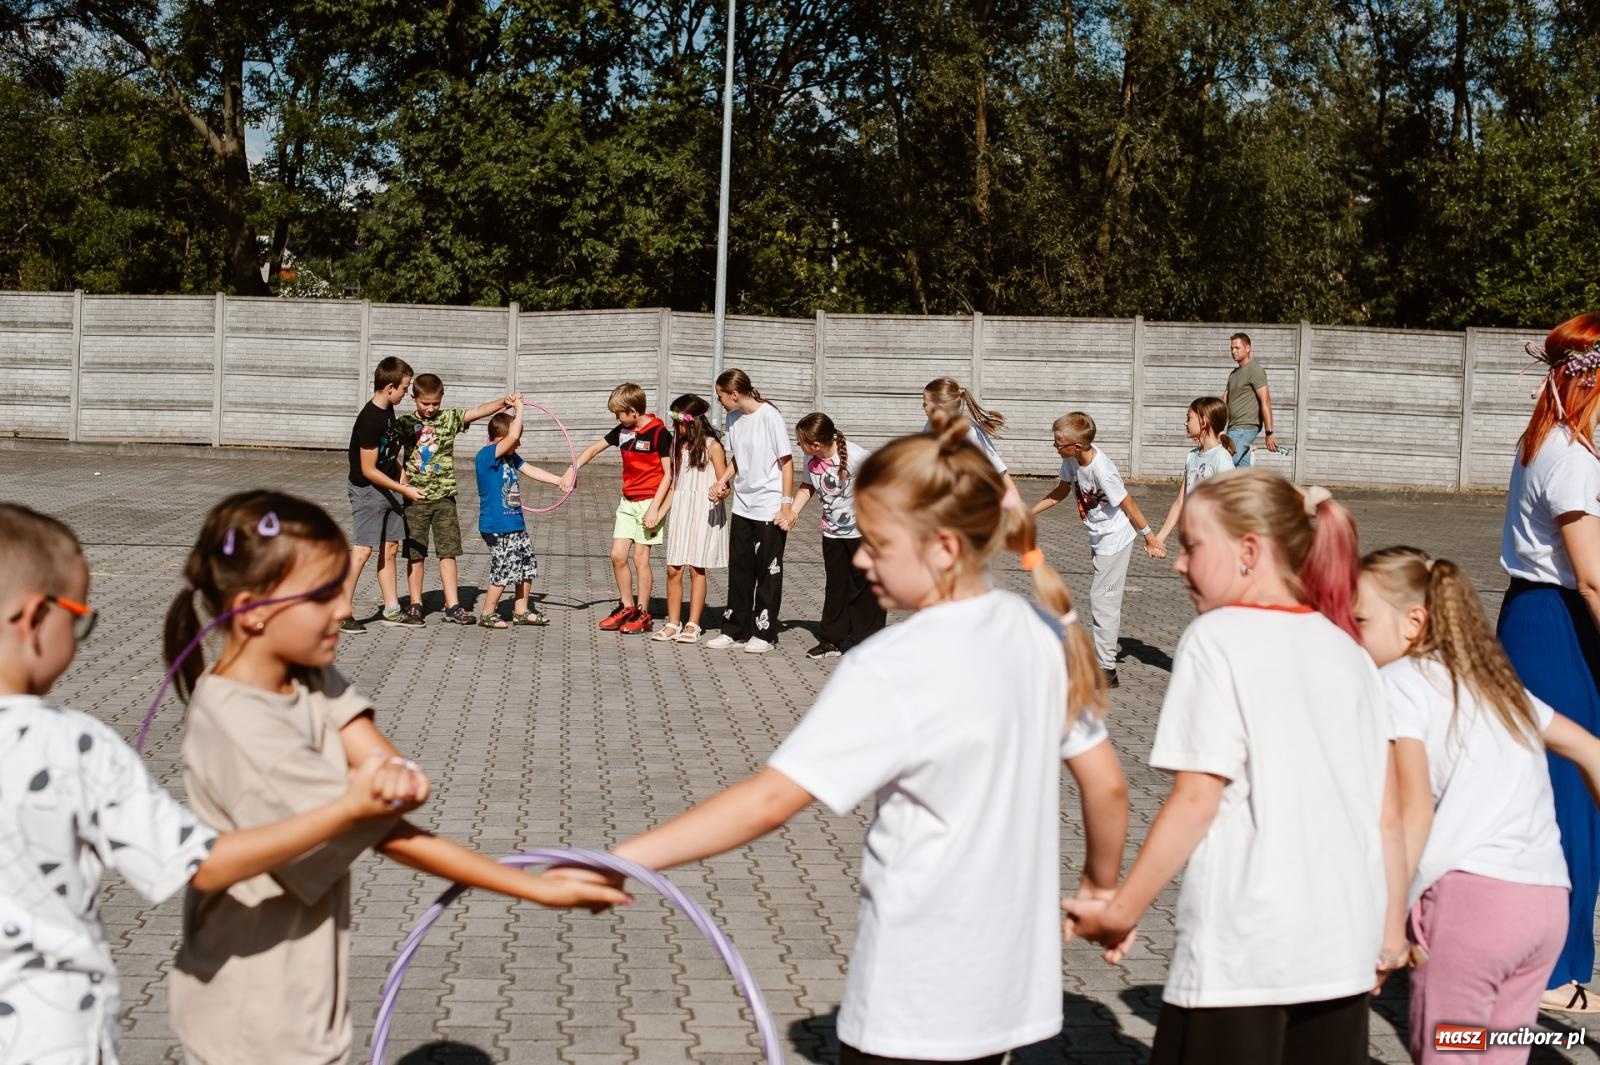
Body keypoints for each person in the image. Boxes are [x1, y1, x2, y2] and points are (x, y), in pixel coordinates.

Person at [559, 414, 1128, 1065]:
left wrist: (624, 857)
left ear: (943, 547)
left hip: (912, 996)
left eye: (877, 543)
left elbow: (768, 801)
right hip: (1009, 992)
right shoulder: (1040, 629)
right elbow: (1107, 786)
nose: (859, 557)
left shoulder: (892, 663)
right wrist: (1099, 891)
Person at [162, 491, 627, 1064]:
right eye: (322, 595)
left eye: (341, 586)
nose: (343, 608)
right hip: (252, 1021)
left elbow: (378, 761)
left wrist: (396, 780)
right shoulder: (240, 723)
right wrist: (535, 888)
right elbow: (382, 830)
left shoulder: (304, 673)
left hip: (303, 999)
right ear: (253, 609)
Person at [0, 503, 428, 1065]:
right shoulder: (72, 745)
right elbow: (200, 862)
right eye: (80, 620)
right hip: (49, 1035)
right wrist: (347, 807)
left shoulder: (308, 681)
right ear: (35, 617)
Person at [1065, 472, 1409, 1065]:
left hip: (1243, 953)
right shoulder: (1350, 651)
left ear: (1249, 550)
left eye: (1193, 546)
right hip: (1340, 950)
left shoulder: (1217, 639)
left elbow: (1196, 800)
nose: (1179, 564)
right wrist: (1390, 932)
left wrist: (1121, 909)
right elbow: (1387, 816)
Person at [1355, 546, 1600, 1063]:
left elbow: (1411, 812)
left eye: (1361, 621)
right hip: (1544, 905)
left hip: (1474, 910)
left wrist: (1388, 928)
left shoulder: (1398, 684)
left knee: (1450, 1048)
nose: (1351, 635)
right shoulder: (1494, 684)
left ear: (1413, 622)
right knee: (1496, 1048)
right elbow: (1590, 751)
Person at [1495, 313, 1600, 1012]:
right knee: (1570, 797)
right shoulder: (1572, 457)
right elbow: (1591, 578)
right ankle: (1556, 973)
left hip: (1537, 619)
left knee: (1550, 793)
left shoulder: (1547, 441)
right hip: (1558, 626)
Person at [1032, 412, 1163, 688]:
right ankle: (1104, 662)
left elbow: (1128, 504)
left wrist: (1150, 538)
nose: (1054, 447)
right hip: (1099, 537)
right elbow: (1061, 491)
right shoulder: (1071, 461)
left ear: (1077, 446)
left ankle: (1107, 670)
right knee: (1102, 599)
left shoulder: (1103, 470)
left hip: (1115, 538)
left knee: (1103, 600)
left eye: (1058, 443)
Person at [395, 373, 518, 626]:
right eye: (425, 403)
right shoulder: (405, 423)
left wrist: (503, 402)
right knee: (416, 554)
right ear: (413, 397)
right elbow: (389, 454)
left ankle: (452, 605)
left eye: (435, 403)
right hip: (415, 499)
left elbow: (477, 412)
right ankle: (415, 604)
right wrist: (402, 482)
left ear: (442, 399)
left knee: (448, 552)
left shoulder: (448, 419)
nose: (431, 408)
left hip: (445, 499)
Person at [561, 383, 674, 635]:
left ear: (633, 411)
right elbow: (593, 449)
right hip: (627, 502)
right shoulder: (623, 430)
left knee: (640, 559)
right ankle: (627, 606)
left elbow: (669, 475)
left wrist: (655, 509)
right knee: (617, 555)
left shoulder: (659, 433)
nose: (616, 418)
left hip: (649, 502)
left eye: (619, 414)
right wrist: (572, 470)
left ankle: (643, 613)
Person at [778, 412, 886, 659]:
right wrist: (793, 512)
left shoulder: (856, 456)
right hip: (833, 533)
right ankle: (832, 640)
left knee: (865, 589)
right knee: (836, 587)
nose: (798, 446)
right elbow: (808, 486)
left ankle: (866, 642)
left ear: (816, 444)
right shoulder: (811, 458)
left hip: (863, 534)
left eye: (801, 442)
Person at [705, 369, 794, 653]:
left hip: (769, 507)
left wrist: (786, 505)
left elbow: (787, 463)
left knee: (768, 572)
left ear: (734, 394)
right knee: (740, 570)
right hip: (743, 505)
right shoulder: (733, 418)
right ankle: (734, 629)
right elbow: (738, 459)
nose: (719, 402)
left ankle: (764, 633)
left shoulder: (770, 416)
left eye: (720, 397)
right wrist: (722, 481)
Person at [343, 355, 425, 632]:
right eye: (404, 388)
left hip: (389, 488)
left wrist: (403, 477)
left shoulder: (389, 410)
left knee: (390, 548)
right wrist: (404, 489)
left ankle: (392, 609)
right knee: (363, 551)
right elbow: (368, 470)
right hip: (368, 491)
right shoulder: (369, 420)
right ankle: (341, 611)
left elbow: (388, 457)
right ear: (390, 387)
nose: (406, 393)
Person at [475, 397, 566, 627]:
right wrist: (520, 408)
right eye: (515, 441)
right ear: (501, 440)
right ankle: (487, 612)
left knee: (526, 566)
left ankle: (521, 611)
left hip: (515, 524)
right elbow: (514, 436)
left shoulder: (510, 457)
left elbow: (531, 469)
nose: (519, 444)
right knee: (504, 567)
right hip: (497, 526)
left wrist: (560, 481)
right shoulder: (486, 456)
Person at [651, 393, 729, 644]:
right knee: (673, 568)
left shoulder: (712, 446)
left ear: (692, 421)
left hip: (704, 510)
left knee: (697, 567)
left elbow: (725, 483)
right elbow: (675, 485)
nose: (676, 426)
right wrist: (659, 513)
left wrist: (720, 491)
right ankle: (673, 623)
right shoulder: (676, 444)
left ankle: (693, 624)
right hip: (682, 509)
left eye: (679, 422)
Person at [1153, 397, 1236, 553]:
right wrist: (1159, 539)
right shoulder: (1191, 456)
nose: (1185, 423)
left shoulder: (1221, 457)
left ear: (1204, 421)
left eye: (1189, 418)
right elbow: (1180, 502)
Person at [921, 377, 1018, 495]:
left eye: (925, 403)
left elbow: (1000, 471)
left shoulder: (969, 431)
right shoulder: (929, 427)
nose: (923, 406)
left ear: (939, 407)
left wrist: (1015, 500)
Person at [1223, 333, 1278, 467]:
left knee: (1226, 464)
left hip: (1245, 427)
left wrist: (1269, 433)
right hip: (1233, 427)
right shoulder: (1234, 374)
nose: (1233, 351)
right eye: (1231, 348)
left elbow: (1265, 401)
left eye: (1237, 348)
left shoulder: (1255, 370)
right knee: (1241, 472)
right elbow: (1223, 401)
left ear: (1248, 348)